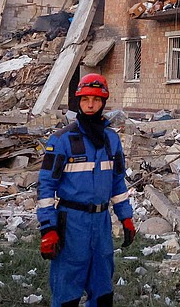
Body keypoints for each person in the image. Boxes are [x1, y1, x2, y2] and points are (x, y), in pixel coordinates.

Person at [37, 73, 135, 307]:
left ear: (103, 102)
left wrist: (126, 217)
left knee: (102, 289)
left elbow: (118, 182)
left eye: (96, 99)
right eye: (85, 99)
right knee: (67, 290)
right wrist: (48, 227)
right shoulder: (62, 140)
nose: (90, 104)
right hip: (72, 224)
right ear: (78, 101)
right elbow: (46, 186)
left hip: (101, 223)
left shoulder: (111, 140)